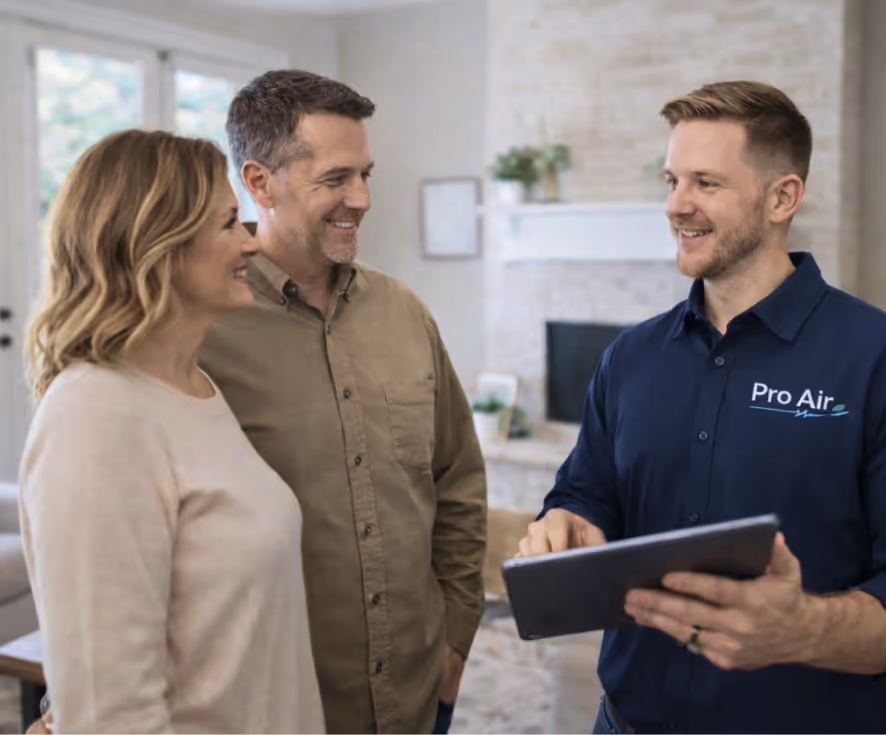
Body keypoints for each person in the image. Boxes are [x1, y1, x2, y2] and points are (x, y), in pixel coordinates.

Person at [519, 80, 886, 734]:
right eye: (670, 181)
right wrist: (569, 523)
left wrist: (802, 629)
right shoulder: (629, 356)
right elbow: (585, 491)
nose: (676, 206)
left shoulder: (873, 358)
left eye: (706, 183)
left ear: (783, 197)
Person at [199, 70, 487, 735]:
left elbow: (458, 478)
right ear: (259, 181)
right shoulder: (202, 328)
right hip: (278, 706)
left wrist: (457, 633)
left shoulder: (404, 312)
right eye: (335, 178)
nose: (360, 198)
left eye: (366, 174)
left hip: (418, 695)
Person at [19, 129, 324, 734]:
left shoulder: (197, 390)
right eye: (229, 222)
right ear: (157, 244)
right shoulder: (96, 415)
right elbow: (111, 713)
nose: (251, 243)